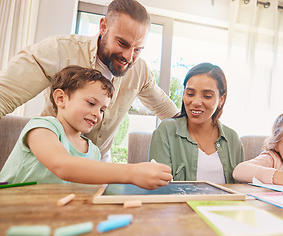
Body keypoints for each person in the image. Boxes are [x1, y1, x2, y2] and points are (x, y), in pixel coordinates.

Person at [0, 0, 179, 161]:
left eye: (138, 49)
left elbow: (171, 114)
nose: (128, 56)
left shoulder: (140, 71)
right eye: (122, 43)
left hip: (97, 162)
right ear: (103, 26)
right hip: (48, 161)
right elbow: (3, 96)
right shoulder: (59, 50)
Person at [0, 66, 172, 189]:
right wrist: (133, 172)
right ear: (61, 98)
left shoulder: (94, 152)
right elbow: (63, 166)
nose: (97, 114)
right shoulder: (42, 128)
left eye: (103, 109)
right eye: (91, 103)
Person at [148, 63, 244, 183]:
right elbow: (158, 187)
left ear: (221, 99)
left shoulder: (232, 138)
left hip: (224, 203)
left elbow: (240, 189)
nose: (196, 102)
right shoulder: (166, 131)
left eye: (207, 96)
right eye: (190, 94)